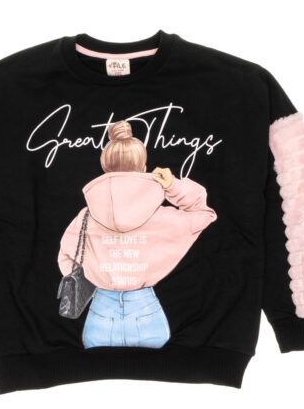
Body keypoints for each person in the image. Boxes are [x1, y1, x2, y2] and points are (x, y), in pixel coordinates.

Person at [58, 120, 217, 348]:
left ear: (105, 167)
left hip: (101, 312)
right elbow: (204, 213)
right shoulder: (162, 217)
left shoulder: (85, 216)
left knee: (97, 368)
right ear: (143, 168)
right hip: (146, 312)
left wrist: (95, 275)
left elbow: (66, 256)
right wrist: (172, 185)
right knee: (161, 369)